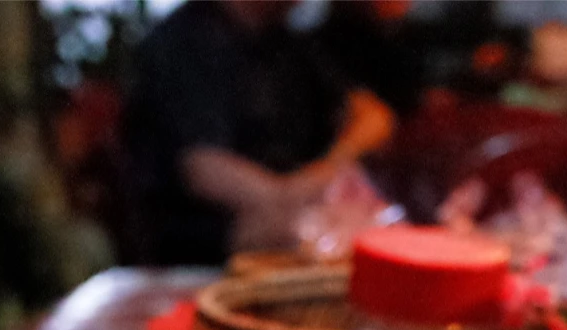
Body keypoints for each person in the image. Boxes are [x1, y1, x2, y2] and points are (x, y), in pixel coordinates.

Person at [123, 0, 395, 263]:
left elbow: (374, 116)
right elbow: (204, 170)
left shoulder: (287, 44)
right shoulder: (182, 43)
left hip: (293, 214)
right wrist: (301, 200)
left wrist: (333, 163)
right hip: (201, 244)